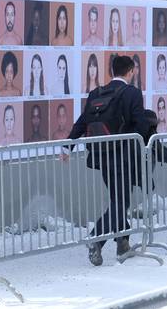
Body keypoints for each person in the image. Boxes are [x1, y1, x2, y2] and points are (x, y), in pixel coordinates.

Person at [62, 54, 146, 265]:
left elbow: (83, 122)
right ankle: (96, 239)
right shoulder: (132, 93)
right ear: (131, 72)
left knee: (118, 200)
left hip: (101, 155)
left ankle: (123, 243)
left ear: (111, 72)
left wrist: (67, 145)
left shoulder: (96, 93)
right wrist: (146, 144)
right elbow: (140, 123)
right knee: (121, 202)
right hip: (123, 156)